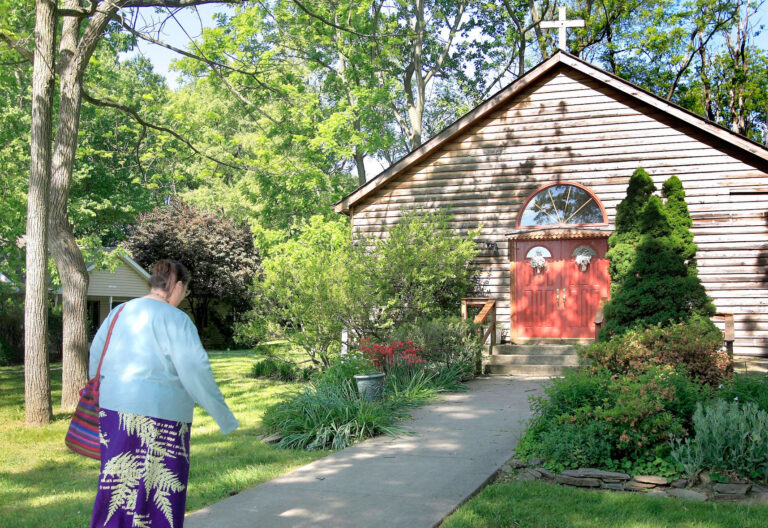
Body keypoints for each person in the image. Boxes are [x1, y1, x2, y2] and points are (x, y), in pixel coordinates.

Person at [89, 259, 239, 528]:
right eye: (186, 291)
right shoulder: (176, 319)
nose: (184, 297)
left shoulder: (120, 311)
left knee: (117, 486)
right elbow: (195, 371)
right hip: (162, 417)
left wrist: (105, 394)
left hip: (114, 412)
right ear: (178, 286)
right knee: (160, 491)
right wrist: (224, 417)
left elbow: (96, 355)